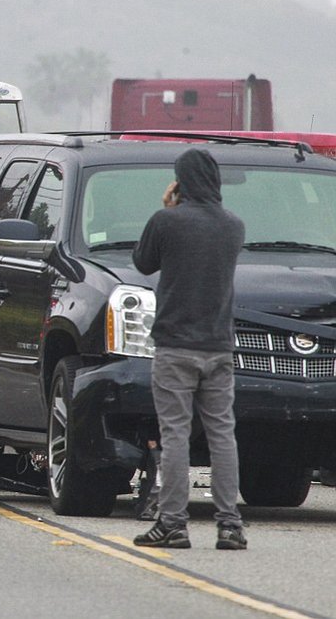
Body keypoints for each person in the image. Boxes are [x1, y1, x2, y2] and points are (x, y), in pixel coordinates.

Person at [132, 148, 247, 550]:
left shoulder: (167, 220)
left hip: (175, 346)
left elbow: (144, 263)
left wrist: (168, 207)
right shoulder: (234, 225)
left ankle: (173, 523)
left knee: (176, 434)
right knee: (222, 435)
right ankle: (230, 525)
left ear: (180, 183)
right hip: (218, 347)